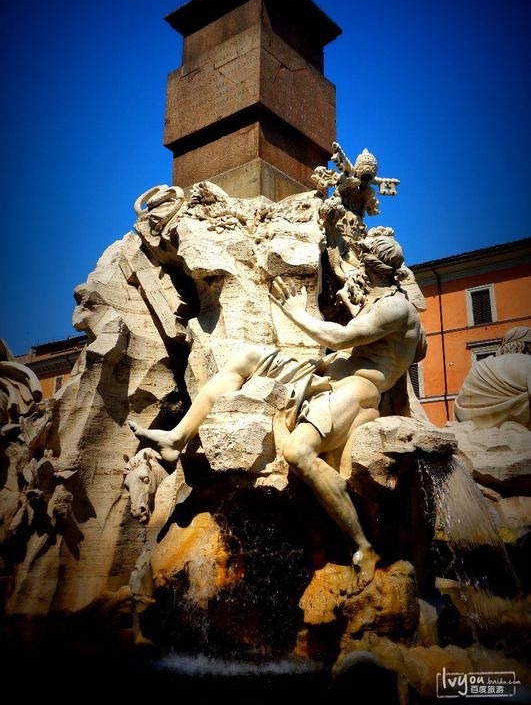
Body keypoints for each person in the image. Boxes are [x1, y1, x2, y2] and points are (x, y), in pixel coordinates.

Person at [129, 234, 426, 586]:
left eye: (361, 258)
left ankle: (363, 545)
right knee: (246, 359)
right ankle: (177, 438)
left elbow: (341, 339)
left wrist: (298, 314)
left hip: (357, 388)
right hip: (325, 371)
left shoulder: (396, 308)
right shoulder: (380, 299)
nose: (355, 264)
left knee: (298, 453)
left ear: (371, 264)